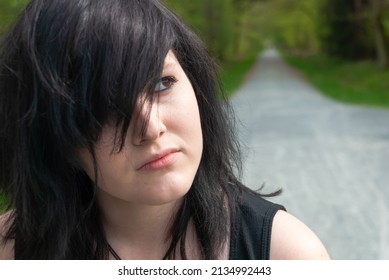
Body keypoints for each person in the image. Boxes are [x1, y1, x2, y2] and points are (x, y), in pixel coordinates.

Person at [0, 0, 330, 260]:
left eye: (162, 83)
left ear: (195, 83)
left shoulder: (287, 257)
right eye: (102, 108)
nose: (152, 127)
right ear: (51, 134)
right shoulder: (10, 252)